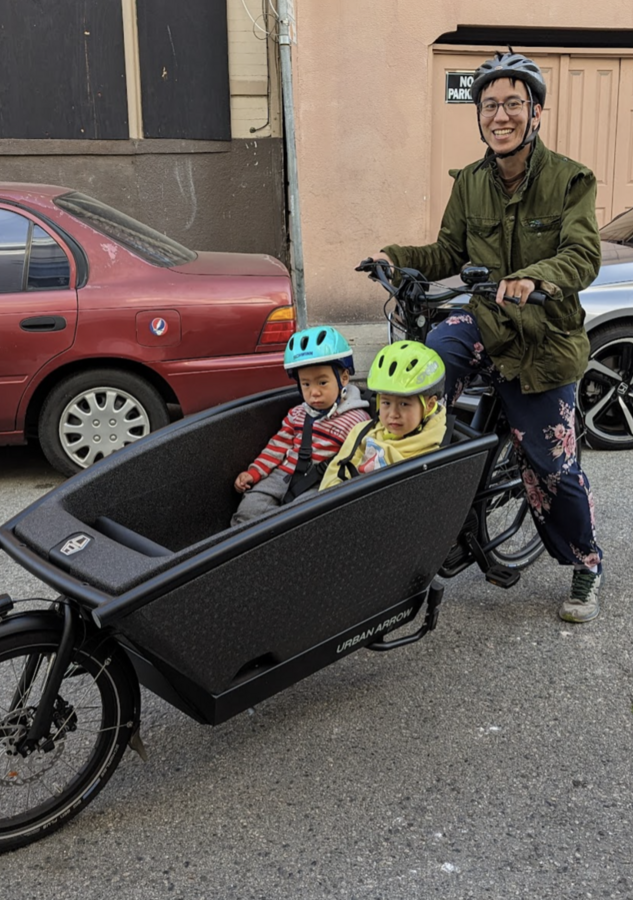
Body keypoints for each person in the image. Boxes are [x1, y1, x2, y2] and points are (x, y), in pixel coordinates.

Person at [377, 50, 603, 623]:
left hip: (544, 339)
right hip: (484, 320)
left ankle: (585, 562)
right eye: (489, 106)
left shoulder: (570, 180)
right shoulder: (471, 182)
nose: (500, 116)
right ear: (479, 115)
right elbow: (447, 252)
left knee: (552, 468)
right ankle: (425, 490)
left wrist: (537, 278)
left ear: (536, 112)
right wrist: (395, 259)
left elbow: (583, 254)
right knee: (422, 370)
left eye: (512, 104)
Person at [231, 325, 371, 525]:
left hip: (320, 483)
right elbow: (277, 447)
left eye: (322, 383)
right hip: (284, 474)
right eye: (306, 384)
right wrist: (254, 472)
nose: (314, 392)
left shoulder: (357, 419)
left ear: (344, 378)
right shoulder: (298, 414)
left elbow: (360, 459)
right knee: (250, 508)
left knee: (301, 520)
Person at [319, 341, 446, 490]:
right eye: (386, 403)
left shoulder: (434, 453)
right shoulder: (362, 432)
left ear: (429, 405)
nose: (393, 414)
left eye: (404, 404)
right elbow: (335, 474)